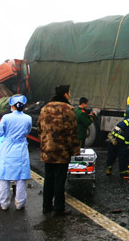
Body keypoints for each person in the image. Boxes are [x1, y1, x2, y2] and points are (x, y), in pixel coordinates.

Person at [38, 85, 80, 216]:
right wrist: (74, 150)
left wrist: (44, 143)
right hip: (61, 151)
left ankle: (46, 206)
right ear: (65, 94)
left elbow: (40, 128)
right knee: (59, 180)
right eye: (69, 92)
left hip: (47, 149)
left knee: (48, 178)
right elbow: (71, 131)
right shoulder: (68, 109)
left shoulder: (45, 108)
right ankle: (59, 208)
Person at [0, 95, 32, 210]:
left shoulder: (6, 117)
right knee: (21, 177)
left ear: (12, 105)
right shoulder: (28, 118)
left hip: (7, 148)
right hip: (21, 148)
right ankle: (20, 203)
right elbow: (27, 131)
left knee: (4, 177)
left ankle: (4, 203)